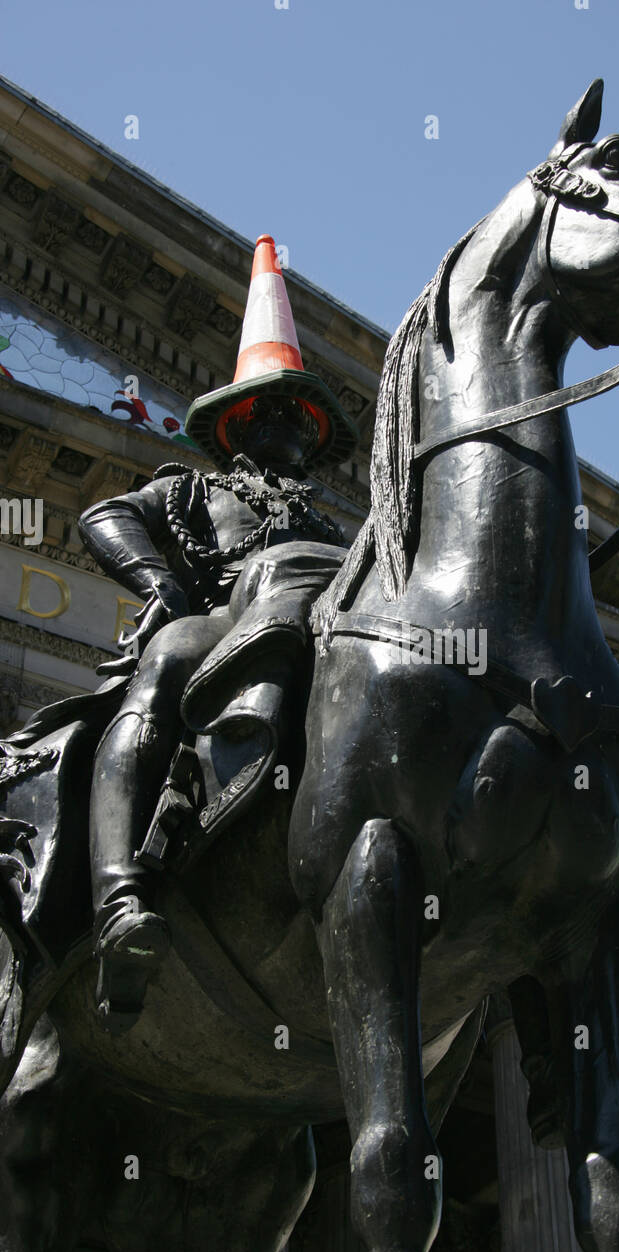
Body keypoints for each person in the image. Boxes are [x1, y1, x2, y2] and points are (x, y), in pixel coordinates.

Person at [78, 236, 357, 1033]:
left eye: (303, 413)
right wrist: (161, 584)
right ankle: (118, 899)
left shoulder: (334, 528)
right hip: (216, 632)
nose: (290, 423)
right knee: (167, 661)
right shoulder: (191, 491)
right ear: (237, 422)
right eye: (271, 408)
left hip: (315, 647)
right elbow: (105, 515)